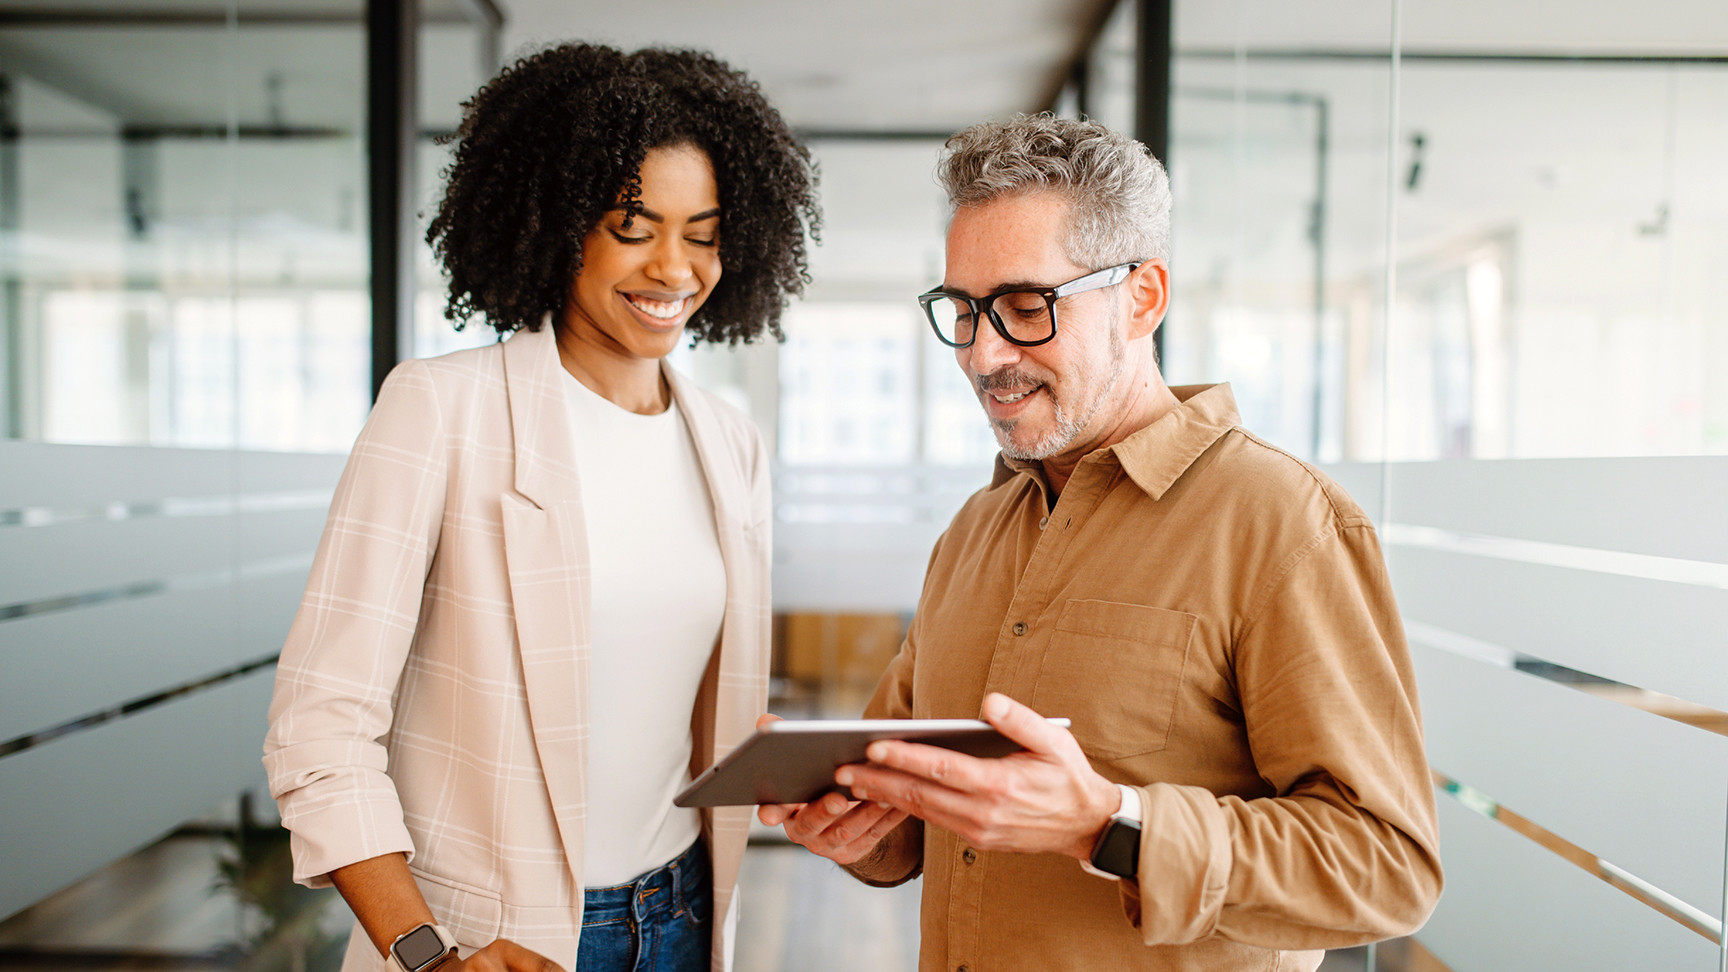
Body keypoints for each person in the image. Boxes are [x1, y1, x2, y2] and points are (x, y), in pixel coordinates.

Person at [759, 114, 1441, 971]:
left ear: (1142, 298)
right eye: (963, 310)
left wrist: (1108, 824)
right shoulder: (974, 530)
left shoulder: (1284, 524)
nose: (982, 354)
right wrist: (856, 832)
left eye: (1023, 307)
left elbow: (1388, 868)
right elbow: (916, 817)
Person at [263, 43, 817, 972]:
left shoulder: (731, 442)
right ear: (558, 224)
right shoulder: (441, 408)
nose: (674, 268)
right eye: (633, 227)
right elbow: (319, 726)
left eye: (703, 232)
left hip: (683, 912)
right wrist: (424, 950)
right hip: (496, 940)